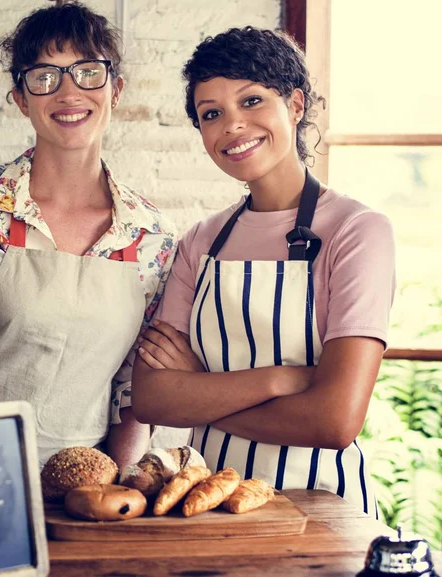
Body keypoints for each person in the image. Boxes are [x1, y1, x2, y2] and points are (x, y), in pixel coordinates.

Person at [131, 26, 395, 516]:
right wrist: (280, 380)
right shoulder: (201, 241)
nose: (232, 125)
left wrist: (202, 389)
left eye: (251, 101)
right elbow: (152, 399)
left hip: (322, 509)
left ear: (295, 105)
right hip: (209, 504)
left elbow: (334, 422)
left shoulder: (357, 232)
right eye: (212, 113)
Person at [0, 1, 177, 469]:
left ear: (116, 90)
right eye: (44, 76)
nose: (68, 92)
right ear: (21, 99)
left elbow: (131, 388)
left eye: (88, 72)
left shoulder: (153, 236)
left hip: (87, 484)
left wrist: (122, 485)